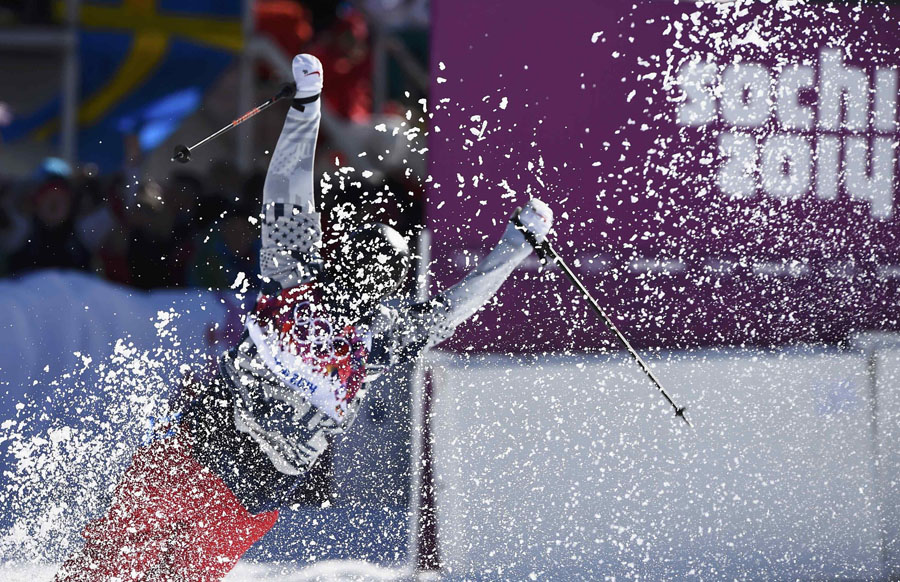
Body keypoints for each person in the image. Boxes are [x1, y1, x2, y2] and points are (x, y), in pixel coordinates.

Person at [53, 54, 554, 582]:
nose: (368, 281)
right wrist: (306, 107)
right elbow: (288, 187)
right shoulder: (302, 281)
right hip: (206, 458)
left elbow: (450, 308)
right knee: (104, 565)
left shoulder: (372, 331)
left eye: (380, 272)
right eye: (364, 265)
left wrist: (514, 248)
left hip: (235, 491)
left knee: (124, 567)